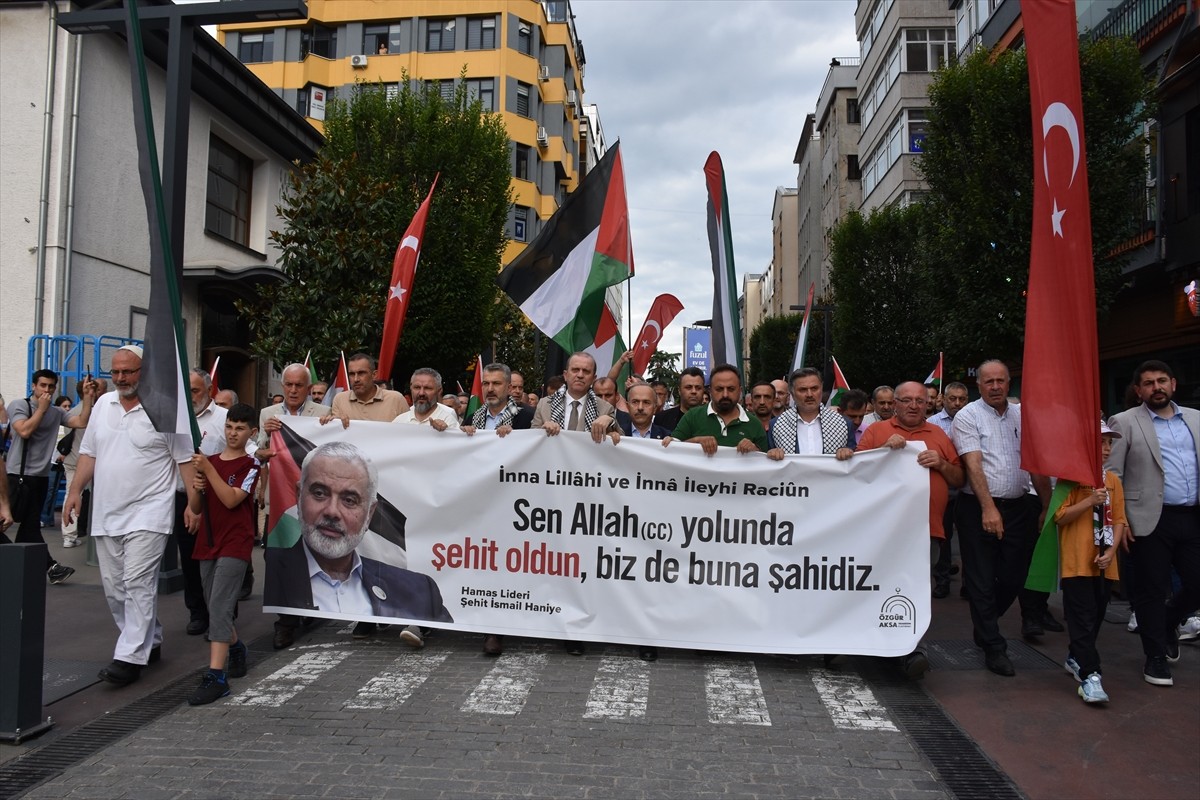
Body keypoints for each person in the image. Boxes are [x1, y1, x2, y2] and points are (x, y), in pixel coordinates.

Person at [63, 345, 199, 686]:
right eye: (116, 372)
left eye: (129, 371)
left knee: (137, 583)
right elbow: (89, 454)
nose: (121, 378)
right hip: (107, 512)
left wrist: (194, 506)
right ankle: (147, 640)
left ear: (145, 372)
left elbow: (186, 462)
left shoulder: (166, 410)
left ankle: (129, 657)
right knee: (114, 588)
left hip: (149, 513)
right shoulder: (102, 406)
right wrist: (75, 491)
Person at [263, 441, 453, 622]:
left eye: (349, 500)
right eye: (320, 493)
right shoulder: (273, 571)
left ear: (369, 513)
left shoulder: (418, 591)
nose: (332, 511)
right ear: (299, 496)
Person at [855, 381, 964, 678]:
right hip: (882, 531)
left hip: (927, 531)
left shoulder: (939, 434)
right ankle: (869, 643)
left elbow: (957, 479)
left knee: (915, 590)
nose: (914, 406)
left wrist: (941, 463)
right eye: (907, 400)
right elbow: (855, 473)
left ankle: (913, 649)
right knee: (875, 585)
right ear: (895, 404)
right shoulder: (876, 432)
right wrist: (882, 453)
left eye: (920, 401)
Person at [951, 360, 1051, 677]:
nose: (995, 386)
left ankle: (985, 626)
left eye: (1000, 381)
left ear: (1009, 383)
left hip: (1020, 507)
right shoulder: (968, 416)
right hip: (977, 506)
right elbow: (973, 465)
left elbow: (1037, 464)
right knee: (981, 580)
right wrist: (988, 508)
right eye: (988, 381)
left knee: (1014, 577)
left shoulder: (1024, 415)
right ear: (978, 385)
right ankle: (995, 646)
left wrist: (1047, 506)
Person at [1106, 359, 1199, 687]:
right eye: (1148, 383)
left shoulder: (1196, 419)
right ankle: (1155, 656)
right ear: (1138, 390)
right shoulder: (1125, 422)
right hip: (1146, 520)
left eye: (1162, 380)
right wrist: (1121, 520)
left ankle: (1169, 623)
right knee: (1150, 590)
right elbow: (1112, 474)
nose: (1156, 387)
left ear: (1173, 384)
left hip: (1192, 517)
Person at [186, 403, 261, 705]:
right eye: (229, 426)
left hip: (235, 542)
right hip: (208, 540)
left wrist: (209, 472)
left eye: (240, 428)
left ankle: (217, 676)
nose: (233, 433)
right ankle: (237, 647)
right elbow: (196, 507)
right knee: (211, 603)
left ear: (251, 432)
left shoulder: (252, 465)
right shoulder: (211, 461)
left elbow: (231, 500)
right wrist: (197, 482)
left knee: (219, 607)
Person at [1055, 421, 1128, 704]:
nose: (1107, 449)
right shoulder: (1070, 479)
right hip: (1077, 560)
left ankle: (1076, 656)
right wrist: (1088, 501)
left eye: (1109, 443)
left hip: (1104, 561)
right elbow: (1060, 516)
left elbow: (1120, 519)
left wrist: (1111, 552)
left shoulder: (1113, 481)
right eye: (1101, 443)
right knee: (1081, 616)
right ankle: (1090, 675)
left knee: (1097, 614)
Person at [255, 363, 326, 649]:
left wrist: (337, 421)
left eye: (299, 386)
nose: (293, 390)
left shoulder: (322, 414)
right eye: (289, 385)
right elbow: (258, 454)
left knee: (313, 558)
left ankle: (307, 609)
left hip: (315, 503)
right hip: (282, 501)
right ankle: (285, 623)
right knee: (281, 560)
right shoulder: (267, 415)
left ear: (309, 389)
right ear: (282, 387)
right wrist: (266, 446)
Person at [4, 368, 97, 584]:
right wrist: (41, 410)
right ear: (33, 386)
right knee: (10, 523)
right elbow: (24, 431)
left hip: (40, 478)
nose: (47, 390)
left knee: (29, 530)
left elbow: (81, 421)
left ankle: (46, 568)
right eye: (43, 385)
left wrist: (87, 398)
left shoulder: (56, 412)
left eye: (51, 386)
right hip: (17, 476)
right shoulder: (20, 405)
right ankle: (42, 565)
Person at [176, 368, 229, 637]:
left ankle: (223, 615)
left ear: (209, 390)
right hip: (182, 497)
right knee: (189, 559)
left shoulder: (224, 418)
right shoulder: (176, 418)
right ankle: (197, 612)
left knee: (220, 560)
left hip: (216, 499)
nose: (189, 396)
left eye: (194, 390)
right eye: (186, 390)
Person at [670, 365, 779, 459]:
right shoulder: (692, 416)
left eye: (731, 389)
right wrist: (696, 442)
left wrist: (755, 451)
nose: (725, 394)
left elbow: (765, 466)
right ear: (710, 391)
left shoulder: (754, 424)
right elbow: (671, 451)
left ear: (740, 391)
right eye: (719, 389)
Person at [929, 381, 969, 597]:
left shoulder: (973, 420)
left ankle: (968, 584)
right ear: (943, 399)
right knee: (942, 538)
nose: (957, 403)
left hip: (969, 490)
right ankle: (942, 581)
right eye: (952, 398)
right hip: (943, 489)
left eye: (962, 399)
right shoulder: (932, 424)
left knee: (969, 539)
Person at [60, 378, 108, 548]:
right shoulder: (99, 412)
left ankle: (69, 535)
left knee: (72, 494)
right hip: (92, 461)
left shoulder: (71, 411)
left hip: (73, 459)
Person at [531, 352, 619, 443]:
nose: (580, 375)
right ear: (565, 375)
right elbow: (532, 440)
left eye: (586, 371)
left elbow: (622, 443)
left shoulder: (605, 408)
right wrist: (542, 430)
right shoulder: (544, 404)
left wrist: (611, 421)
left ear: (593, 378)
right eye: (575, 370)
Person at [768, 367, 854, 458]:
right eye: (803, 390)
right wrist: (772, 454)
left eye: (814, 388)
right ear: (792, 393)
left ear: (821, 388)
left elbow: (854, 463)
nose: (809, 394)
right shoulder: (777, 425)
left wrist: (848, 452)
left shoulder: (843, 423)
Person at [329, 353, 409, 423]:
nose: (356, 379)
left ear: (374, 375)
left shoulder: (395, 399)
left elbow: (408, 432)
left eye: (361, 373)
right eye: (352, 374)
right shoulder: (340, 399)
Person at [463, 363, 534, 438]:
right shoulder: (471, 419)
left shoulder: (526, 419)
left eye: (496, 383)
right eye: (486, 383)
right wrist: (463, 435)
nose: (490, 389)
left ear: (509, 388)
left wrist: (513, 436)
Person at [394, 368, 459, 432]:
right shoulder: (399, 421)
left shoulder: (449, 422)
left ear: (439, 391)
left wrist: (445, 433)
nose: (421, 393)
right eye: (417, 387)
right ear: (411, 388)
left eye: (427, 388)